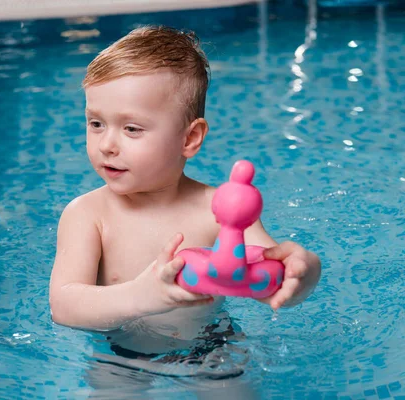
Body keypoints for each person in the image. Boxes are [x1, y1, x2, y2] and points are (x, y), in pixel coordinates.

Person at [48, 25, 321, 371]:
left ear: (190, 138)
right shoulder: (88, 214)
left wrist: (304, 274)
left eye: (131, 128)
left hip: (211, 341)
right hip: (120, 349)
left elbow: (269, 275)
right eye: (96, 123)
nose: (106, 144)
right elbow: (64, 306)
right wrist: (142, 296)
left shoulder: (221, 209)